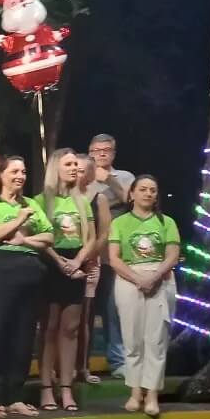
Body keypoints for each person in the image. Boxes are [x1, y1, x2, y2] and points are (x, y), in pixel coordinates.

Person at [0, 155, 53, 418]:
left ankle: (15, 396)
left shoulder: (31, 204)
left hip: (28, 274)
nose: (20, 176)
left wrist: (24, 241)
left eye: (23, 171)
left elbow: (49, 236)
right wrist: (18, 221)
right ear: (1, 174)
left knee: (22, 336)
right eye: (14, 171)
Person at [108, 175, 179, 418]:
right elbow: (114, 258)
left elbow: (172, 255)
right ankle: (135, 391)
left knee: (156, 340)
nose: (148, 194)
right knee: (132, 338)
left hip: (160, 279)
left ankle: (152, 394)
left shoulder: (166, 222)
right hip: (129, 280)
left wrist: (154, 277)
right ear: (132, 194)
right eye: (143, 189)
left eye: (153, 190)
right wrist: (138, 279)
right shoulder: (120, 223)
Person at [34, 148, 95, 414]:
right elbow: (39, 238)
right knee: (49, 327)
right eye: (68, 164)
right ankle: (46, 387)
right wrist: (60, 262)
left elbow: (91, 237)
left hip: (75, 263)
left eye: (75, 165)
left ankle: (67, 388)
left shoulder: (82, 201)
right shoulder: (41, 200)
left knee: (71, 328)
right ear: (56, 167)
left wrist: (78, 261)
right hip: (50, 263)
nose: (74, 169)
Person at [88, 133, 135, 376]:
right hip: (89, 252)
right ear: (90, 153)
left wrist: (109, 180)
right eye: (97, 150)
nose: (101, 154)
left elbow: (133, 200)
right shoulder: (83, 175)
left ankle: (117, 361)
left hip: (116, 254)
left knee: (112, 308)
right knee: (85, 309)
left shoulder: (124, 177)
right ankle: (81, 364)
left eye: (106, 150)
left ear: (114, 153)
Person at [76, 153, 112, 383]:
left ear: (90, 174)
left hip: (90, 263)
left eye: (81, 170)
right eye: (74, 169)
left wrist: (87, 256)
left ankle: (83, 366)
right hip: (65, 262)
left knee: (85, 317)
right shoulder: (64, 197)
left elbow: (104, 234)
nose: (76, 174)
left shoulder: (99, 198)